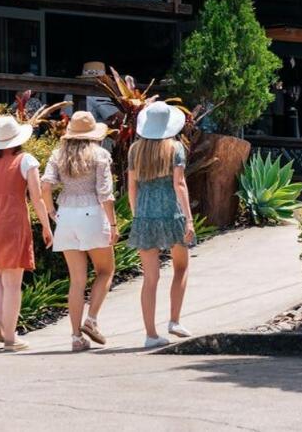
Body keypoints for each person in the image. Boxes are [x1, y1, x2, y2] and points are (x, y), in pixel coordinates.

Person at [0, 114, 53, 351]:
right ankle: (10, 339)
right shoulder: (26, 161)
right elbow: (37, 198)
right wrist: (46, 226)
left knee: (1, 277)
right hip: (12, 224)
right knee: (13, 283)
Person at [40, 111, 117, 352]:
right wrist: (113, 224)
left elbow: (45, 186)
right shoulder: (100, 155)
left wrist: (52, 212)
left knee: (76, 280)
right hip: (92, 214)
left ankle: (76, 337)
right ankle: (91, 320)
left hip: (66, 216)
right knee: (106, 270)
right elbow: (105, 194)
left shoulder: (58, 154)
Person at [127, 101, 195, 349]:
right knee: (181, 267)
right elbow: (179, 184)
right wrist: (189, 218)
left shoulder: (135, 150)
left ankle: (150, 334)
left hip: (145, 214)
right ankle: (174, 321)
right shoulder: (175, 148)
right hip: (172, 213)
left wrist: (137, 215)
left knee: (150, 278)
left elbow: (132, 187)